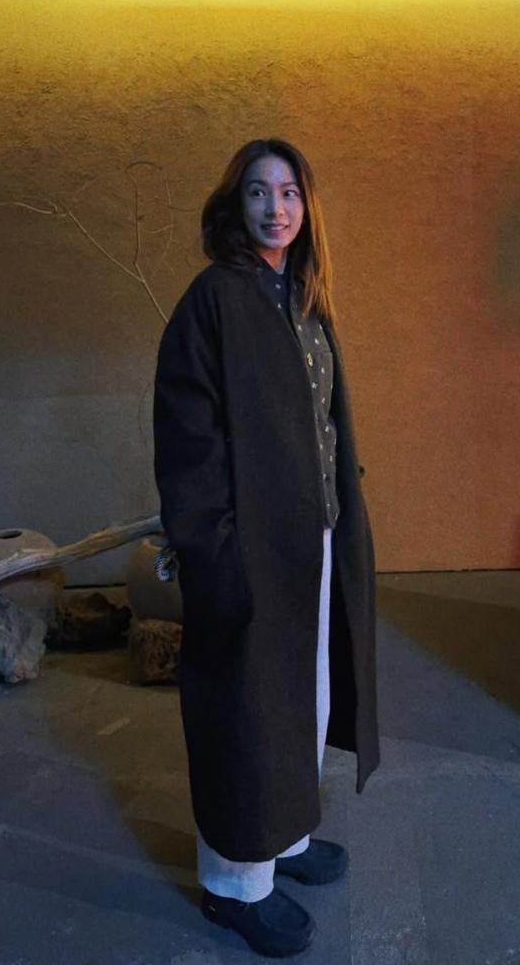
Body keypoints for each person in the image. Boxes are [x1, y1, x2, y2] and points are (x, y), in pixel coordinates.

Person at [152, 138, 379, 958]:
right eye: (257, 192)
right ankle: (233, 887)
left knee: (300, 698)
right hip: (248, 550)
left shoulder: (303, 297)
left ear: (305, 206)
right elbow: (187, 439)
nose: (274, 208)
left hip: (309, 541)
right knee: (245, 710)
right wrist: (214, 551)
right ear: (235, 204)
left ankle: (284, 836)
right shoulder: (214, 300)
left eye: (288, 192)